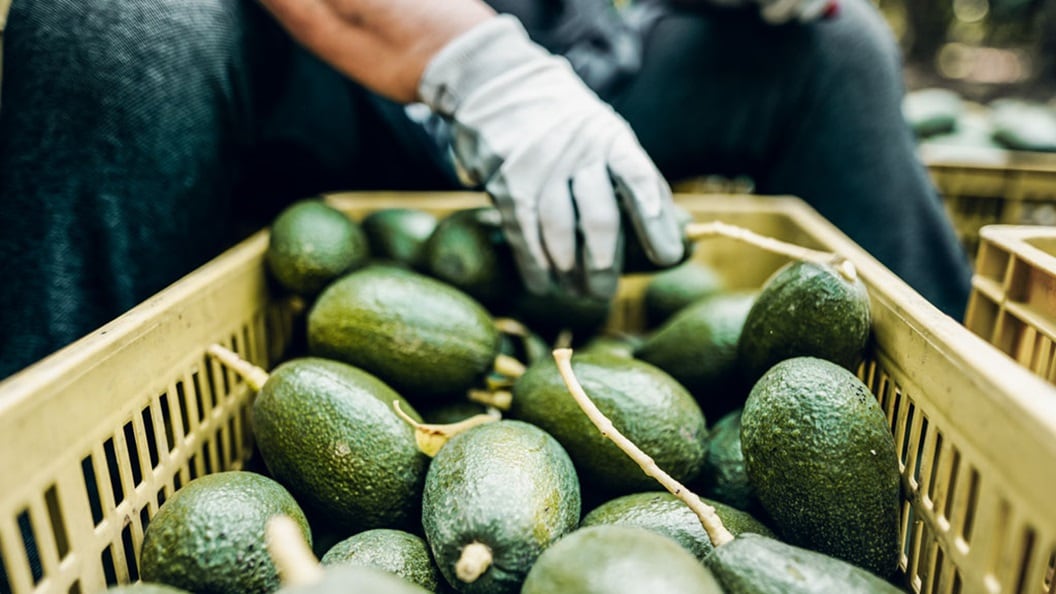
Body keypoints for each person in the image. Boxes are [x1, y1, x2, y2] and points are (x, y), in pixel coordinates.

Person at [0, 0, 971, 381]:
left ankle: (952, 467)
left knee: (838, 53)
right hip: (334, 68)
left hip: (595, 64)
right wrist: (472, 61)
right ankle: (54, 510)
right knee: (115, 23)